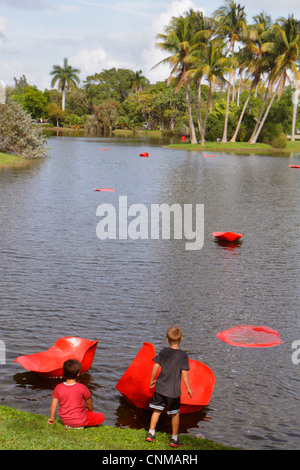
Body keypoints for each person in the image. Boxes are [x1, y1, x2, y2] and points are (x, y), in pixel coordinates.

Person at [146, 326, 193, 447]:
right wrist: (188, 387)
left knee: (157, 410)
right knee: (175, 414)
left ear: (167, 340)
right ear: (181, 339)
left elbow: (155, 366)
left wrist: (152, 380)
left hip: (160, 388)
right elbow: (184, 373)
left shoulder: (164, 351)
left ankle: (150, 433)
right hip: (173, 392)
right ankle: (174, 439)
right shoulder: (183, 355)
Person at [48, 359, 105, 428]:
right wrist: (90, 412)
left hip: (65, 420)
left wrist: (52, 418)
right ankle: (79, 425)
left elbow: (53, 405)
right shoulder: (82, 387)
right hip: (80, 420)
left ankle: (70, 425)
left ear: (63, 373)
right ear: (78, 374)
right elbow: (89, 403)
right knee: (101, 416)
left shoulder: (58, 387)